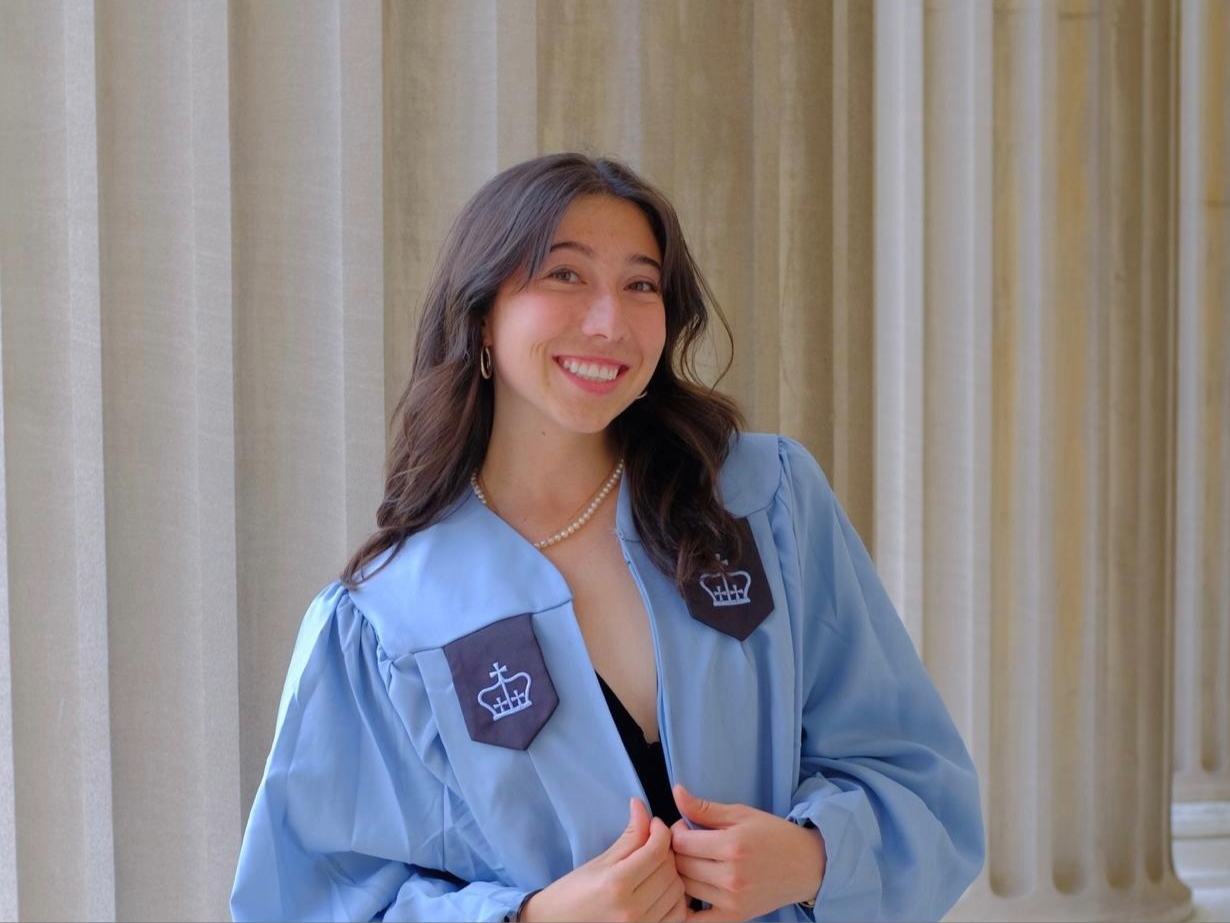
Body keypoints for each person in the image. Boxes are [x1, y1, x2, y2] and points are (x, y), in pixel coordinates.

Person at [230, 152, 985, 923]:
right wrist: (532, 919)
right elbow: (307, 901)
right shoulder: (391, 621)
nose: (609, 321)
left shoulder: (763, 505)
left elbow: (919, 778)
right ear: (483, 311)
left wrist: (814, 857)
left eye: (641, 285)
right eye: (565, 275)